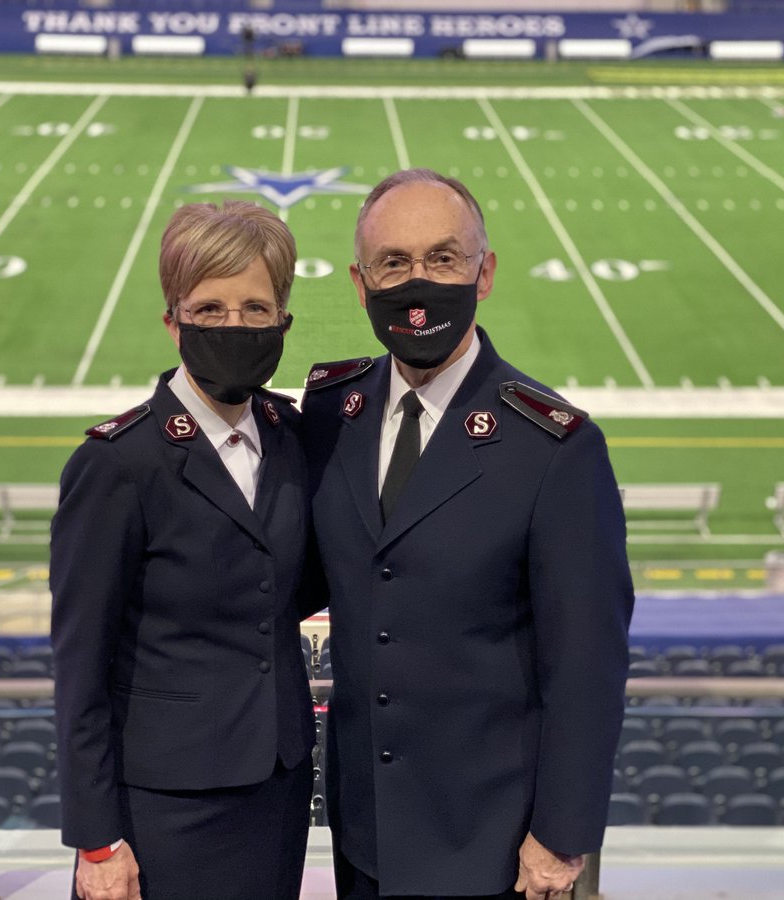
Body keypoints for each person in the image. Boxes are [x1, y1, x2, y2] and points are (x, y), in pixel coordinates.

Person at [301, 169, 634, 900]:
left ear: (484, 275)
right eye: (394, 262)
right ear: (360, 284)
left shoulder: (555, 446)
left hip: (493, 841)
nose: (418, 282)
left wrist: (561, 836)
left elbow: (588, 666)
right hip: (362, 830)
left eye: (444, 258)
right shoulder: (332, 411)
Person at [51, 200, 317, 900]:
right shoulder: (118, 464)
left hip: (279, 788)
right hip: (165, 806)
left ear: (283, 319)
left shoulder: (291, 439)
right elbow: (80, 667)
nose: (236, 326)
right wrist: (98, 839)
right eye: (210, 309)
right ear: (172, 321)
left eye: (256, 309)